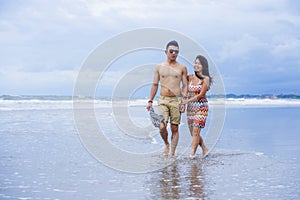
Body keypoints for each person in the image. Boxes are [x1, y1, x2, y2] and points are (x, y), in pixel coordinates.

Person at [147, 40, 188, 157]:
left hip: (177, 100)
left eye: (176, 51)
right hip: (163, 99)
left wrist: (183, 102)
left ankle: (172, 154)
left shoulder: (182, 67)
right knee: (162, 126)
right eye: (171, 51)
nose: (174, 53)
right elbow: (155, 85)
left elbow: (185, 86)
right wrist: (150, 100)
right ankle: (166, 143)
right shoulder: (159, 67)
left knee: (175, 127)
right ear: (166, 52)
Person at [181, 55, 212, 159]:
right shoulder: (189, 77)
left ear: (203, 66)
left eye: (199, 63)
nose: (196, 65)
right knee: (193, 133)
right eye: (195, 63)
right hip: (190, 109)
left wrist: (186, 101)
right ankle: (204, 148)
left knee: (195, 132)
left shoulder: (206, 79)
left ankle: (192, 154)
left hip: (201, 107)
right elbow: (182, 85)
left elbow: (201, 95)